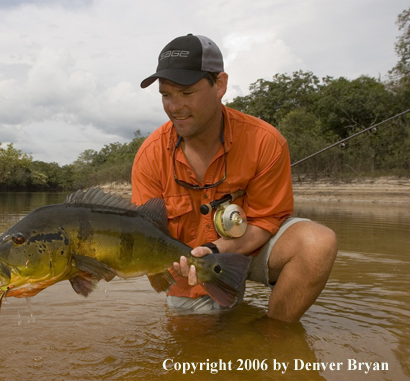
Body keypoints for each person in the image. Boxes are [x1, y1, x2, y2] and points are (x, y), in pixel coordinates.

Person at [131, 34, 338, 322]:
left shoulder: (265, 141)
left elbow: (267, 220)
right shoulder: (149, 156)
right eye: (166, 95)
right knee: (194, 353)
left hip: (251, 248)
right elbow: (146, 237)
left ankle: (276, 337)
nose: (174, 106)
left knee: (317, 243)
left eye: (186, 93)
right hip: (189, 268)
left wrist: (217, 248)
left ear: (220, 85)